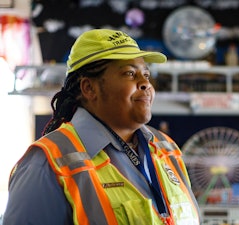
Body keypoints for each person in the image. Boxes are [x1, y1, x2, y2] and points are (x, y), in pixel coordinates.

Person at [3, 29, 200, 225]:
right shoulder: (46, 164)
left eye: (146, 75)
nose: (145, 84)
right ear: (89, 88)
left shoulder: (167, 149)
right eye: (130, 73)